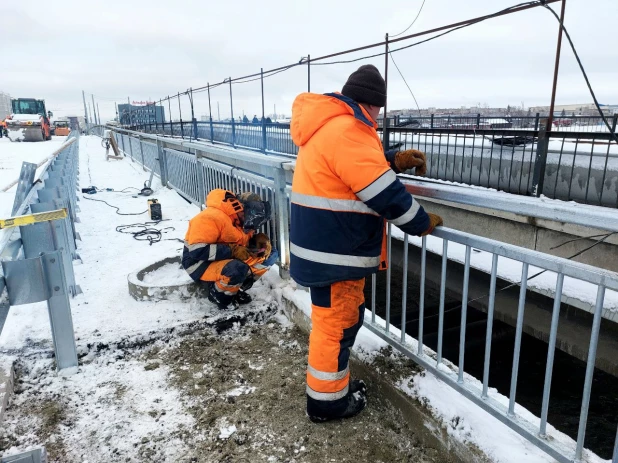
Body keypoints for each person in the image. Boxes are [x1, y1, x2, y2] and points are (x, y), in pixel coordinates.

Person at [290, 64, 443, 423]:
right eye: (379, 108)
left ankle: (331, 389)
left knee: (337, 323)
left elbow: (350, 172)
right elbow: (383, 193)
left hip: (326, 248)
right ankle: (327, 403)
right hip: (337, 252)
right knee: (336, 327)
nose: (378, 115)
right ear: (371, 104)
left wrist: (391, 160)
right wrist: (421, 223)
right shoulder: (349, 129)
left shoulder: (330, 125)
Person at [182, 189, 277, 309]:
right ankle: (218, 295)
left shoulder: (240, 219)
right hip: (199, 263)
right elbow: (197, 250)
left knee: (271, 255)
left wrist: (257, 241)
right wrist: (232, 250)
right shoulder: (210, 217)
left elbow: (241, 240)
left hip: (224, 257)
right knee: (237, 268)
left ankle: (235, 287)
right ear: (240, 207)